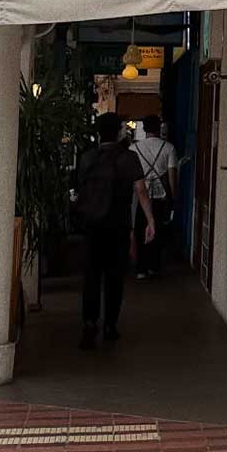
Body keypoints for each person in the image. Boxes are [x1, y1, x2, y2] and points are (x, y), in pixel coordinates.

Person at [72, 113, 154, 349]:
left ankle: (89, 323)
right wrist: (150, 220)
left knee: (91, 276)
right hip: (118, 225)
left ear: (99, 132)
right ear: (119, 132)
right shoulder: (129, 158)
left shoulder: (87, 158)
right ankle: (110, 325)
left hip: (92, 226)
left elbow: (80, 190)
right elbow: (140, 190)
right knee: (114, 277)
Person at [131, 115, 177, 279]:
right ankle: (153, 266)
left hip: (140, 196)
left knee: (139, 229)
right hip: (160, 196)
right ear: (159, 128)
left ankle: (140, 268)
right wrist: (173, 196)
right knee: (158, 230)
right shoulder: (169, 148)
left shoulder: (133, 149)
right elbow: (172, 176)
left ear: (143, 129)